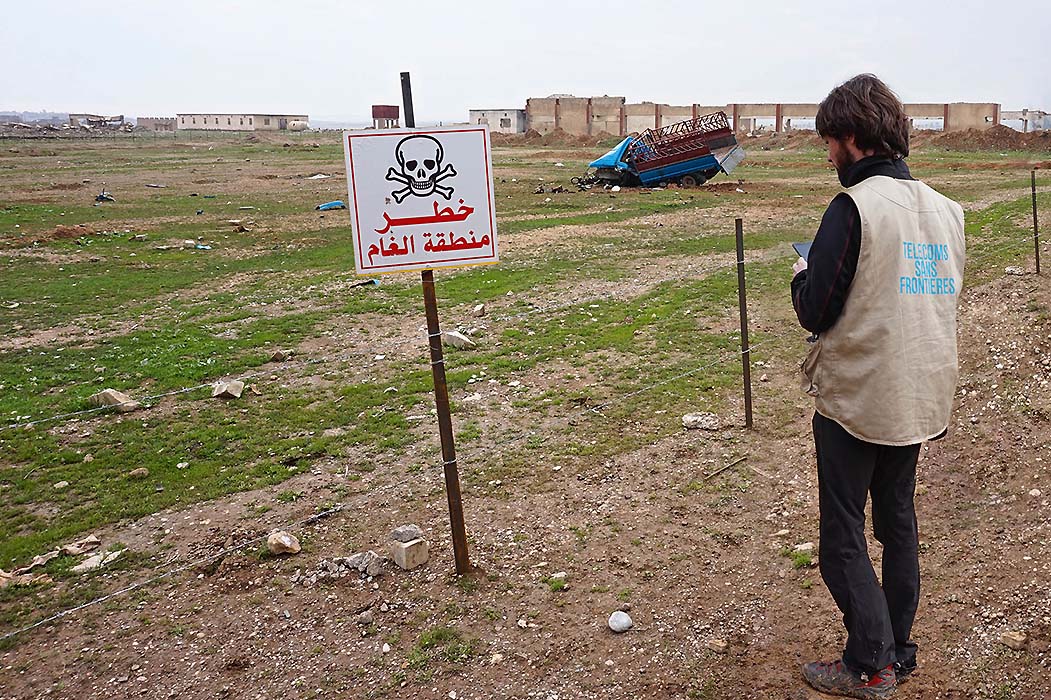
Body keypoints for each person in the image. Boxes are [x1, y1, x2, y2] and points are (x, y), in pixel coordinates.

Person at [790, 74, 966, 699]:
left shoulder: (853, 208)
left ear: (851, 137)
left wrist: (801, 274)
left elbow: (817, 308)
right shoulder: (947, 211)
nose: (827, 156)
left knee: (843, 536)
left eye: (828, 142)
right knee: (898, 522)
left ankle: (871, 663)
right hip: (919, 393)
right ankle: (899, 649)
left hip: (860, 397)